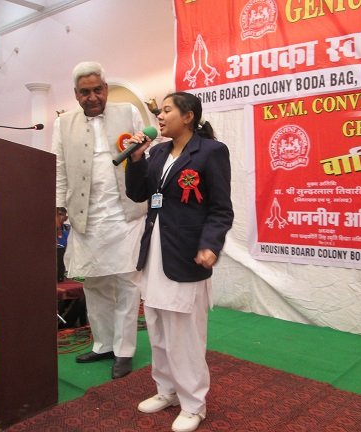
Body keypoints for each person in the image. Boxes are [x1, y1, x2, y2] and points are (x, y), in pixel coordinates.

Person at [125, 92, 234, 432]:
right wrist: (136, 158)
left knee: (184, 335)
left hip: (186, 254)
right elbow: (138, 194)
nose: (159, 116)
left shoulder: (211, 152)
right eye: (159, 111)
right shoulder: (157, 152)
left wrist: (210, 245)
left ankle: (193, 404)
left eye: (167, 110)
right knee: (157, 327)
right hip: (155, 251)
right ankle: (167, 390)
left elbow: (221, 209)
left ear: (188, 117)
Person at [51, 61, 147, 379]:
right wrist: (57, 208)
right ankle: (104, 343)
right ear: (75, 94)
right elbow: (59, 168)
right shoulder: (63, 123)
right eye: (85, 92)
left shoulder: (129, 113)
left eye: (97, 90)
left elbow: (145, 155)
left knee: (127, 283)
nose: (92, 97)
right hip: (86, 216)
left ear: (105, 88)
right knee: (94, 282)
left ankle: (124, 350)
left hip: (126, 214)